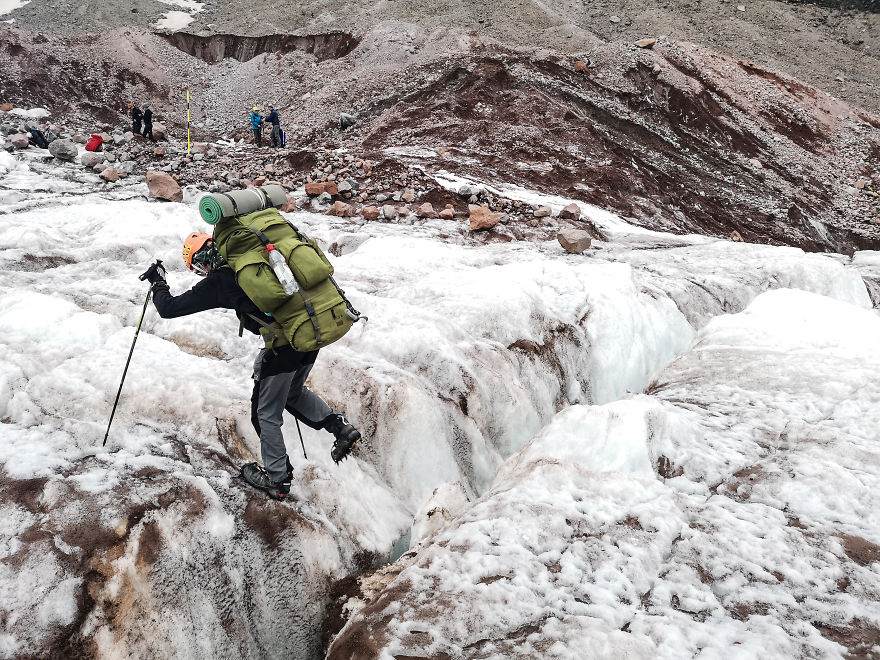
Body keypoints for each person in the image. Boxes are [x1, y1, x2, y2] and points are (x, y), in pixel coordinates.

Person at [139, 234, 362, 501]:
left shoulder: (220, 280)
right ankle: (341, 428)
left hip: (283, 347)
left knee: (264, 414)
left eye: (198, 267)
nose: (202, 273)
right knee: (292, 393)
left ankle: (277, 478)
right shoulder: (254, 261)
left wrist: (158, 281)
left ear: (202, 258)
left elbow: (169, 308)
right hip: (308, 333)